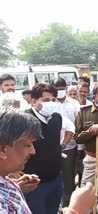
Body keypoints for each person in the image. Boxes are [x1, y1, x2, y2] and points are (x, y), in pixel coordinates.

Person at [24, 83, 74, 214]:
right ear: (34, 101)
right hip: (35, 184)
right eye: (46, 100)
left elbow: (70, 129)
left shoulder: (56, 117)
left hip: (56, 180)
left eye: (53, 100)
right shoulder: (26, 120)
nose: (51, 103)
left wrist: (61, 147)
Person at [0, 108, 41, 213]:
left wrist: (16, 187)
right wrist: (75, 209)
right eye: (27, 145)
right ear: (2, 150)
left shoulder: (5, 178)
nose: (33, 151)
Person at [53, 77, 80, 207]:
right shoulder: (51, 104)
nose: (60, 92)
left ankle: (67, 206)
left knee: (68, 178)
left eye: (62, 89)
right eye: (57, 90)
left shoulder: (74, 104)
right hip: (53, 148)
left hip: (70, 147)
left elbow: (78, 126)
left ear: (66, 89)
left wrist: (80, 148)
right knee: (53, 178)